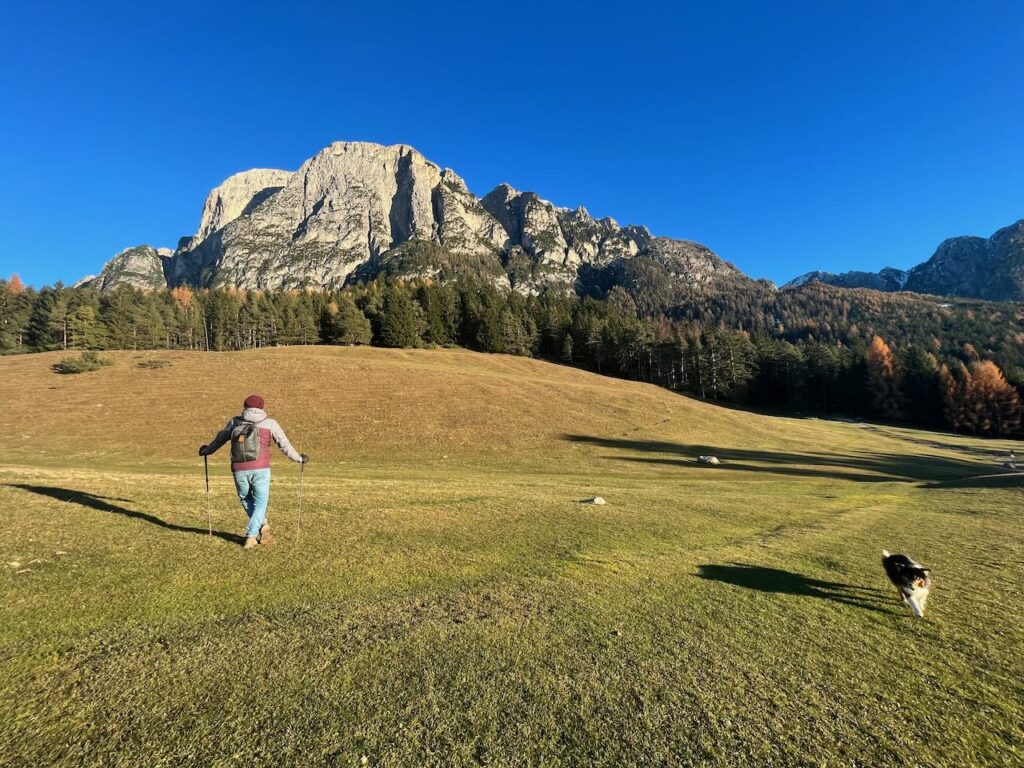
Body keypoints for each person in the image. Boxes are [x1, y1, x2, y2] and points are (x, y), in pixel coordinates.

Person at [199, 394, 309, 549]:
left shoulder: (235, 422)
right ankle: (251, 536)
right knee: (261, 502)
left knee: (245, 498)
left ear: (245, 407)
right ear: (262, 408)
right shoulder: (270, 423)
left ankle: (263, 525)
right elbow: (284, 444)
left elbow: (219, 440)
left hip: (238, 468)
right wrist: (299, 458)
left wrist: (206, 451)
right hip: (261, 468)